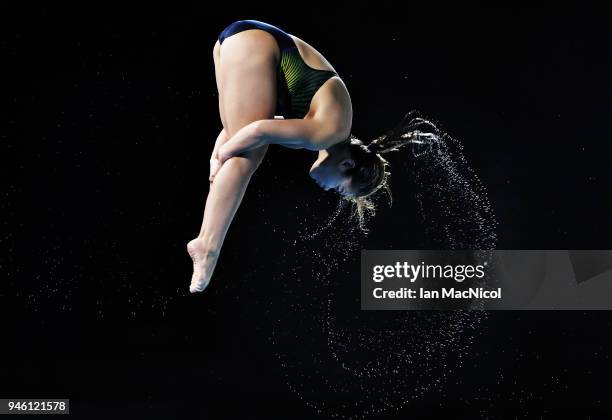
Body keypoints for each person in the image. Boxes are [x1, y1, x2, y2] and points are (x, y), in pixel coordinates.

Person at [188, 20, 432, 293]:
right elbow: (256, 130)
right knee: (251, 151)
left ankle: (207, 242)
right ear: (347, 164)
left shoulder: (320, 132)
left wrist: (217, 157)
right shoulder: (326, 133)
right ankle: (208, 247)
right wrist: (222, 154)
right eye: (339, 188)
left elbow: (242, 128)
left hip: (240, 42)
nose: (328, 189)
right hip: (254, 44)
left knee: (247, 145)